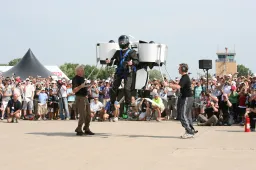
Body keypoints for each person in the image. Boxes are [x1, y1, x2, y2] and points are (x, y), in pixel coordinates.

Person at [106, 35, 139, 112]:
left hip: (128, 72)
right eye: (120, 41)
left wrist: (132, 62)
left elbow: (137, 61)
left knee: (127, 89)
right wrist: (109, 62)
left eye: (122, 41)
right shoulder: (118, 52)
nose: (121, 42)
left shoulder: (132, 52)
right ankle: (112, 103)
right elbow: (112, 61)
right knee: (113, 88)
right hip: (119, 72)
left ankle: (128, 104)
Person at [169, 63, 198, 139]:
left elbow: (178, 86)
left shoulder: (185, 77)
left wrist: (168, 85)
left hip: (187, 98)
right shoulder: (184, 77)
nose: (178, 69)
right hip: (188, 98)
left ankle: (189, 131)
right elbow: (180, 85)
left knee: (182, 115)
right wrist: (174, 83)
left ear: (183, 69)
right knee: (187, 115)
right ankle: (190, 129)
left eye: (179, 68)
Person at [72, 65, 94, 136]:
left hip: (85, 97)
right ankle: (79, 128)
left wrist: (90, 85)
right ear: (78, 71)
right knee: (83, 114)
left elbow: (84, 87)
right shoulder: (75, 79)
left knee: (88, 114)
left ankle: (86, 128)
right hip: (80, 98)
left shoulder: (82, 78)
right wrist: (81, 86)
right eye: (82, 70)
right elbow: (74, 90)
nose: (83, 71)